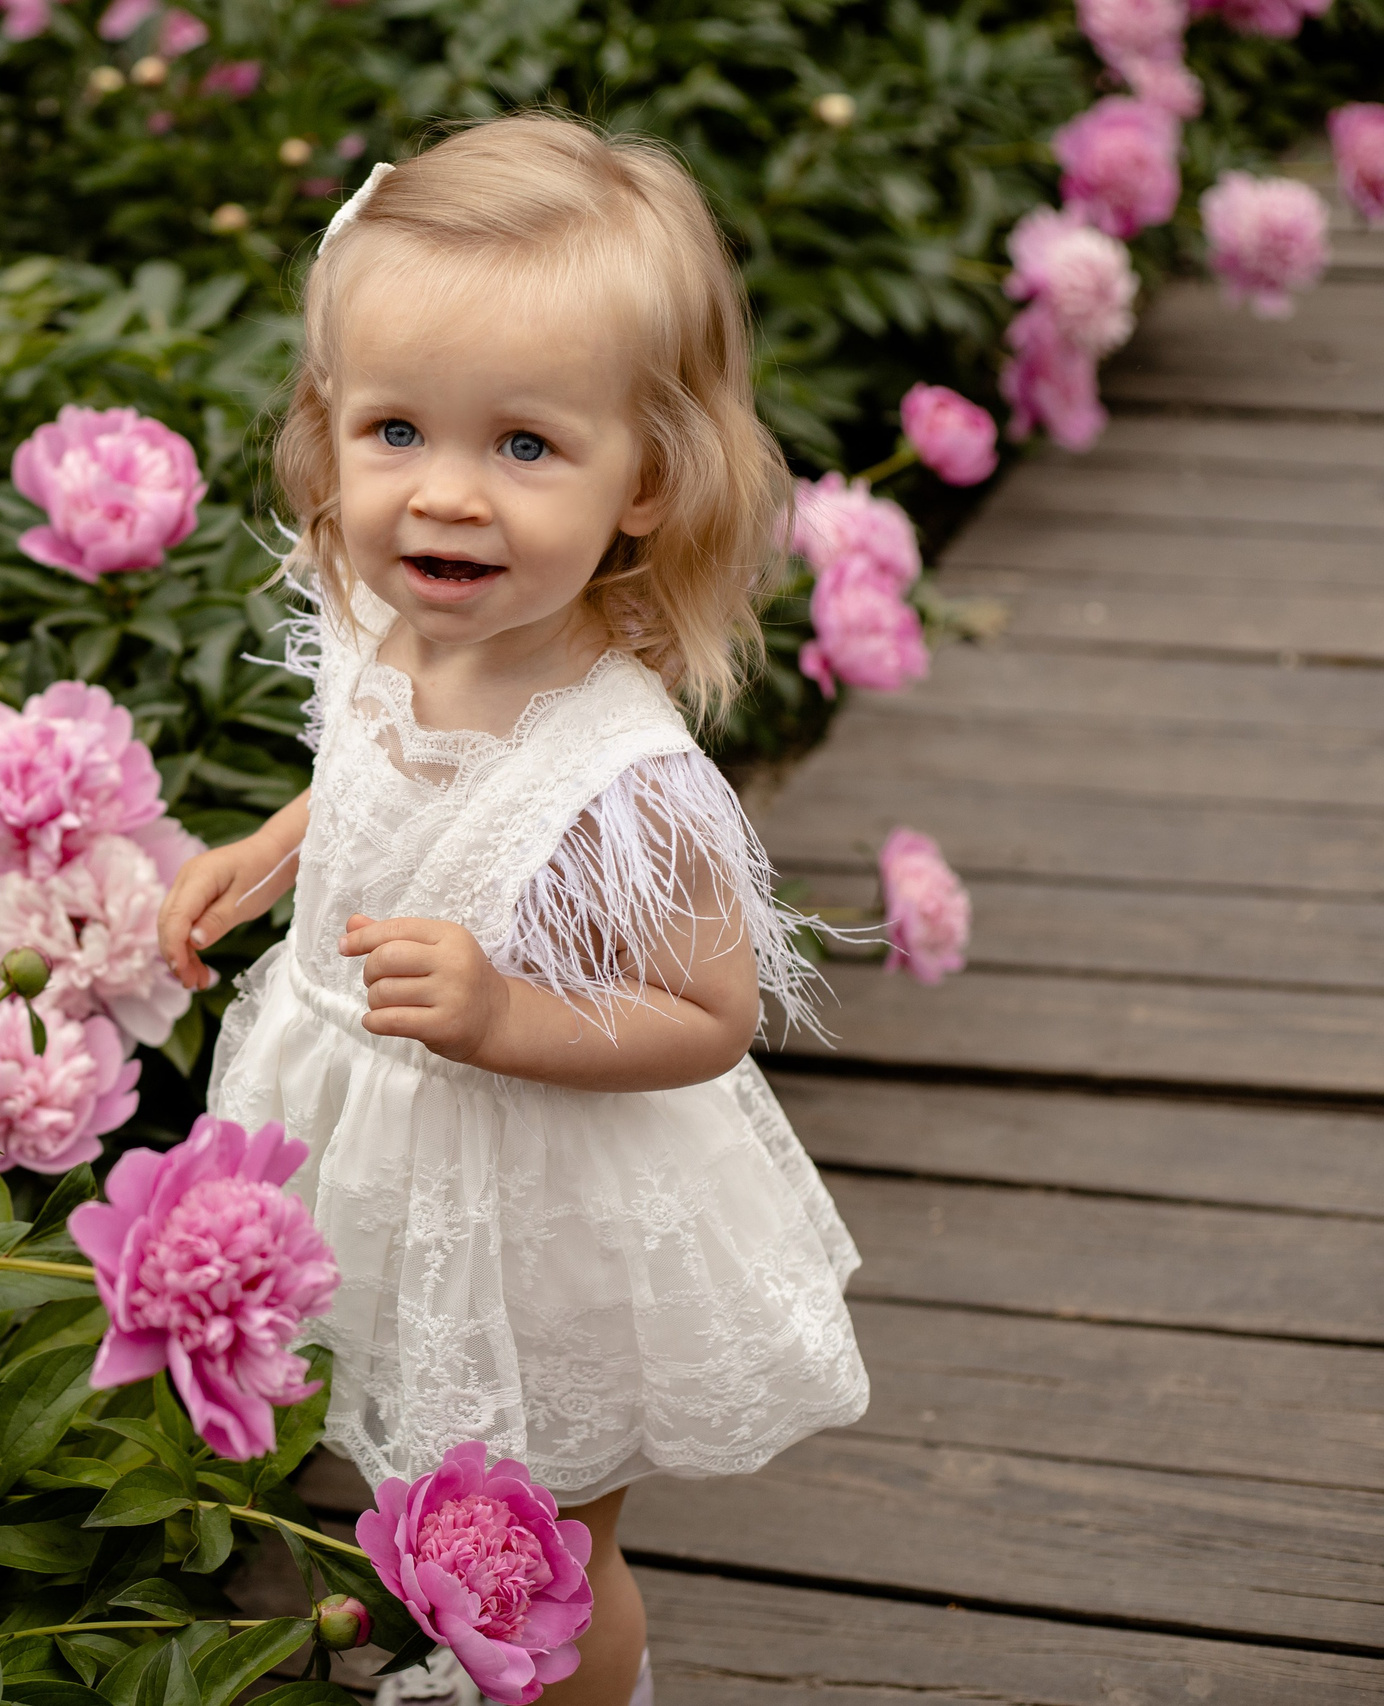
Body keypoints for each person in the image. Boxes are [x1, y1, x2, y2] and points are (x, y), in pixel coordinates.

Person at [158, 114, 868, 1706]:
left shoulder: (619, 771)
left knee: (542, 1539)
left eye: (526, 447)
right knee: (390, 1487)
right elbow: (373, 773)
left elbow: (710, 1015)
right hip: (361, 1127)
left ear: (647, 481)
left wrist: (500, 1012)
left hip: (538, 1198)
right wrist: (263, 855)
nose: (446, 499)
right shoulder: (385, 621)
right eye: (398, 431)